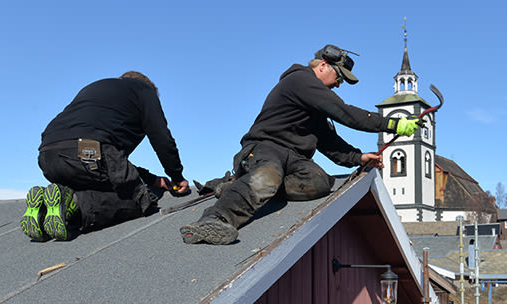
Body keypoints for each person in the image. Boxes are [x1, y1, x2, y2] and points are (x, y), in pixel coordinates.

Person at [180, 44, 420, 245]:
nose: (338, 84)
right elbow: (344, 112)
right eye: (339, 77)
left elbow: (327, 140)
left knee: (319, 182)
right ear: (323, 65)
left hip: (295, 158)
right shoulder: (300, 80)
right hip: (264, 147)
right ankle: (214, 219)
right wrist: (392, 124)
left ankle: (238, 187)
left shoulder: (314, 103)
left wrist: (358, 158)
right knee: (267, 177)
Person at [21, 71, 190, 242]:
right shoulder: (143, 89)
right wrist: (176, 176)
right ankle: (73, 204)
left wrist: (152, 179)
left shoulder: (94, 89)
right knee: (143, 200)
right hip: (88, 152)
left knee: (93, 186)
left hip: (48, 156)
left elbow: (113, 162)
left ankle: (43, 211)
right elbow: (161, 137)